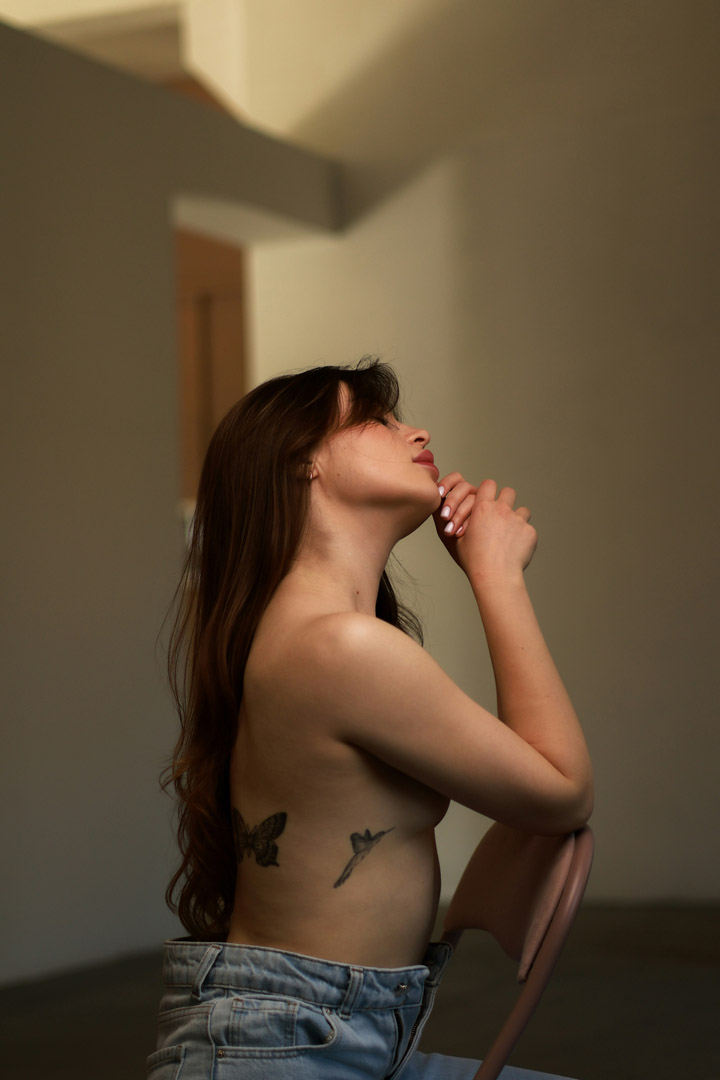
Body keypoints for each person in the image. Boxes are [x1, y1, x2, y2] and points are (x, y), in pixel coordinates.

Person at [147, 359, 593, 1080]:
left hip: (333, 1035)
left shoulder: (317, 636)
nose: (417, 432)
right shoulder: (338, 647)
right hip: (282, 1048)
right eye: (376, 419)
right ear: (302, 461)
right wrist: (497, 574)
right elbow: (563, 791)